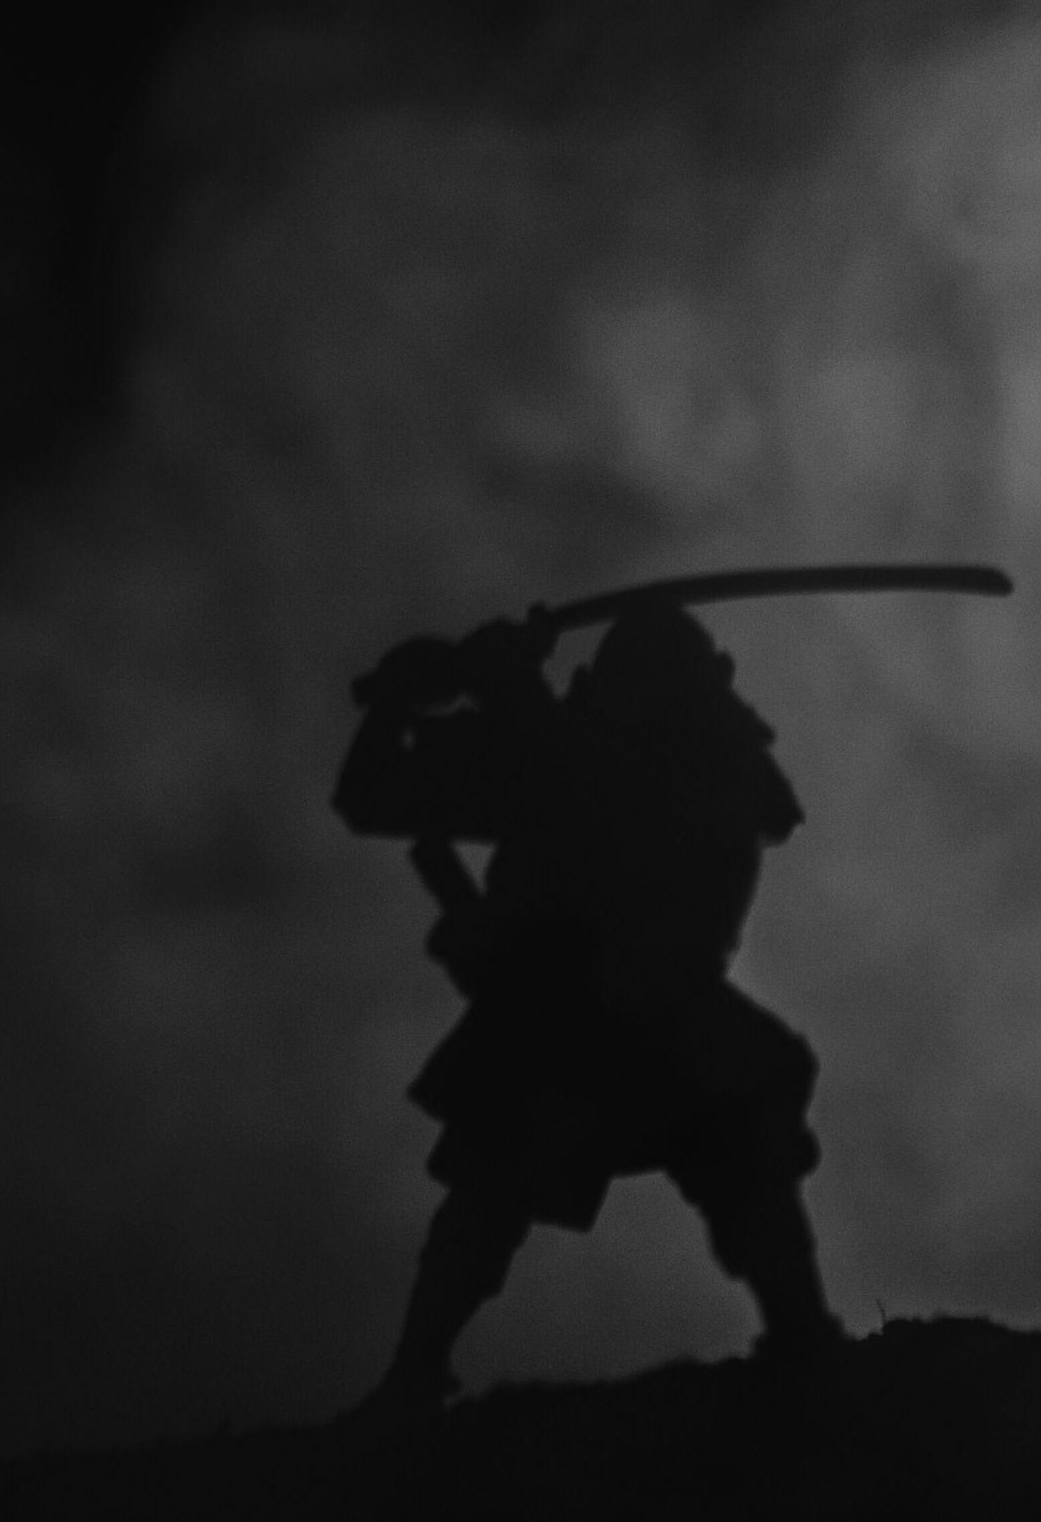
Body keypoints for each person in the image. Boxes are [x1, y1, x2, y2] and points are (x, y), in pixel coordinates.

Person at [335, 601, 841, 1416]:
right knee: (491, 1189)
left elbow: (600, 793)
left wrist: (507, 683)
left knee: (747, 1145)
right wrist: (400, 702)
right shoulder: (562, 744)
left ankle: (804, 1340)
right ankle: (415, 1371)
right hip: (558, 1009)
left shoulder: (707, 760)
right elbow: (374, 797)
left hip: (666, 1007)